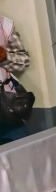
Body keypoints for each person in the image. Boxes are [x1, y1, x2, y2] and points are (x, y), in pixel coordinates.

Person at [0, 13, 32, 143]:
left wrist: (4, 57)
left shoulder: (4, 24)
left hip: (5, 107)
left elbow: (23, 61)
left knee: (19, 153)